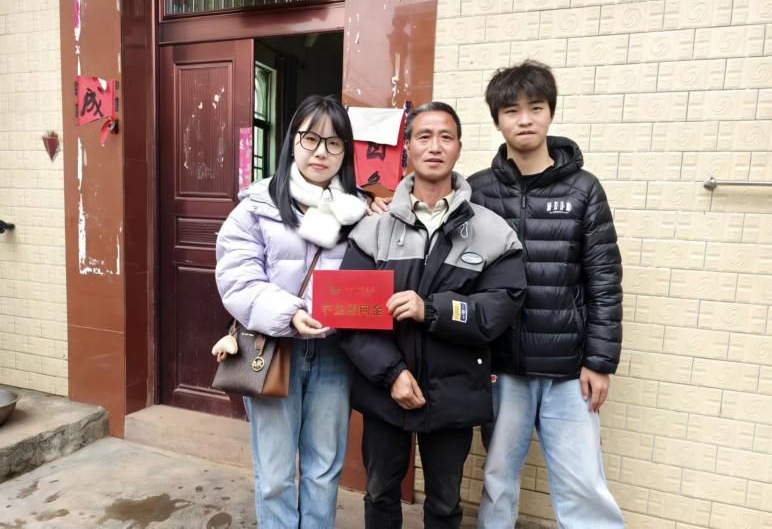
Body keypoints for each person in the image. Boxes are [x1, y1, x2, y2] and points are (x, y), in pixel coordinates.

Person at [371, 61, 624, 528]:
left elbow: (604, 279)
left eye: (536, 108)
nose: (524, 120)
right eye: (511, 111)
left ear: (550, 113)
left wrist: (600, 360)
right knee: (499, 479)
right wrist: (385, 205)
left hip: (568, 368)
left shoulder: (583, 190)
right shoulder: (477, 192)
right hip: (499, 364)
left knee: (583, 485)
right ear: (497, 120)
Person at [339, 102, 527, 529]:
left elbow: (499, 308)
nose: (435, 146)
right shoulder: (373, 229)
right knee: (379, 493)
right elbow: (350, 318)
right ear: (407, 148)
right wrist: (391, 374)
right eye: (424, 136)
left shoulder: (491, 231)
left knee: (444, 504)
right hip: (385, 391)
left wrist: (432, 309)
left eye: (446, 137)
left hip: (454, 391)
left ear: (459, 147)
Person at [213, 94, 367, 528]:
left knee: (324, 469)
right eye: (310, 138)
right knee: (276, 475)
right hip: (273, 349)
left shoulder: (360, 214)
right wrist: (289, 313)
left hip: (335, 354)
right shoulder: (256, 207)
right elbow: (238, 278)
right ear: (292, 141)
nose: (321, 152)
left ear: (345, 152)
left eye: (334, 143)